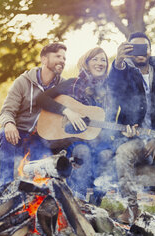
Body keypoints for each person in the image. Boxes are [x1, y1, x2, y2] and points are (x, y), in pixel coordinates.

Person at [107, 32, 155, 229]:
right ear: (128, 51)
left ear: (150, 50)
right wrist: (117, 62)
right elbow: (113, 90)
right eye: (134, 48)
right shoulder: (123, 72)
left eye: (144, 48)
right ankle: (132, 208)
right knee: (123, 153)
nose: (140, 52)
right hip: (136, 138)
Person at [37, 47, 113, 206]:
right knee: (82, 151)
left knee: (106, 155)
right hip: (73, 141)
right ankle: (77, 201)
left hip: (96, 140)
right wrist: (67, 112)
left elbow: (106, 122)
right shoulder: (72, 84)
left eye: (103, 60)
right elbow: (41, 99)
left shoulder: (109, 91)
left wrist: (124, 130)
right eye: (95, 59)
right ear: (86, 62)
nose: (100, 63)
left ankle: (95, 202)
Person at [0, 42, 67, 186]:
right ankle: (4, 186)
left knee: (41, 176)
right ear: (44, 59)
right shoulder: (23, 82)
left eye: (64, 58)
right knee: (5, 134)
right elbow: (7, 111)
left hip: (41, 139)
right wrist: (9, 124)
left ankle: (36, 196)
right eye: (58, 56)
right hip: (19, 132)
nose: (62, 60)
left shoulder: (63, 86)